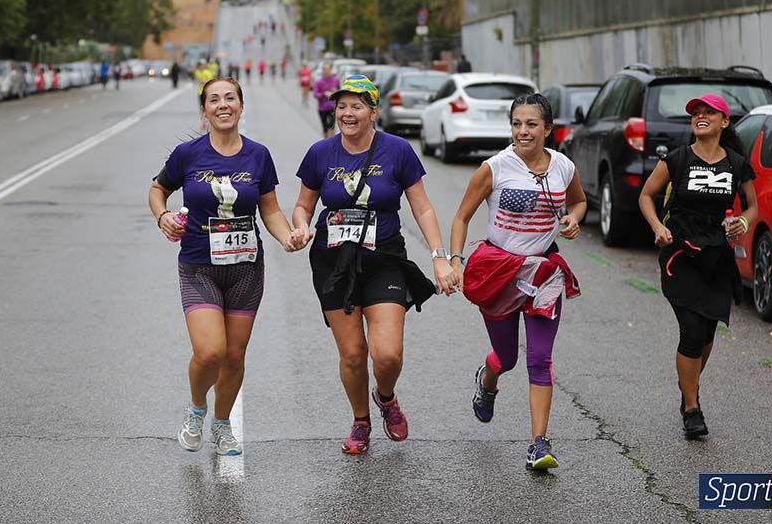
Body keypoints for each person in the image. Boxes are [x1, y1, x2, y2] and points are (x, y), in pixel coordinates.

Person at [290, 75, 457, 455]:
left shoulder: (397, 151)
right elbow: (303, 205)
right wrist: (301, 227)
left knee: (387, 354)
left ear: (373, 112)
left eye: (357, 106)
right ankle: (361, 420)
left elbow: (422, 207)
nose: (347, 113)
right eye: (342, 106)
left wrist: (439, 258)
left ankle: (386, 396)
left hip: (384, 259)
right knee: (352, 354)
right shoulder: (320, 153)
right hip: (333, 262)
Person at [149, 77, 303, 456]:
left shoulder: (258, 155)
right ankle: (196, 408)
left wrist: (288, 236)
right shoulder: (187, 154)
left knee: (234, 356)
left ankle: (221, 425)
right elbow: (157, 190)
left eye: (230, 98)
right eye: (214, 99)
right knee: (210, 351)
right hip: (199, 265)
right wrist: (162, 215)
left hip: (245, 268)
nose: (223, 105)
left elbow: (270, 209)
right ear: (204, 111)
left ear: (241, 106)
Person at [449, 93, 586, 471]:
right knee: (507, 357)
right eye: (516, 124)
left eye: (531, 124)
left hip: (542, 272)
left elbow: (578, 201)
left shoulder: (563, 166)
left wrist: (573, 219)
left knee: (540, 359)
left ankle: (539, 444)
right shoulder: (494, 168)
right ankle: (487, 378)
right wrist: (456, 261)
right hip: (499, 271)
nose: (523, 131)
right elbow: (461, 217)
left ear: (547, 129)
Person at [638, 94, 757, 440]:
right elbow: (646, 196)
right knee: (691, 331)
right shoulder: (677, 160)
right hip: (680, 257)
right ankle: (692, 408)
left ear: (724, 122)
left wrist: (743, 223)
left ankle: (688, 386)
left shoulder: (736, 164)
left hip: (717, 260)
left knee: (706, 333)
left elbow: (753, 206)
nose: (701, 116)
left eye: (709, 112)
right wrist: (658, 227)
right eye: (696, 113)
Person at [313, 64, 340, 139]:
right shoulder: (319, 82)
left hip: (332, 107)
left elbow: (340, 92)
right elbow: (315, 94)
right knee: (325, 127)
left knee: (332, 126)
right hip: (322, 108)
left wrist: (334, 92)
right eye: (325, 69)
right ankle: (326, 142)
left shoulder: (336, 80)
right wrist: (323, 94)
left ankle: (332, 142)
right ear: (323, 71)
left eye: (328, 69)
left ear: (331, 70)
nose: (327, 71)